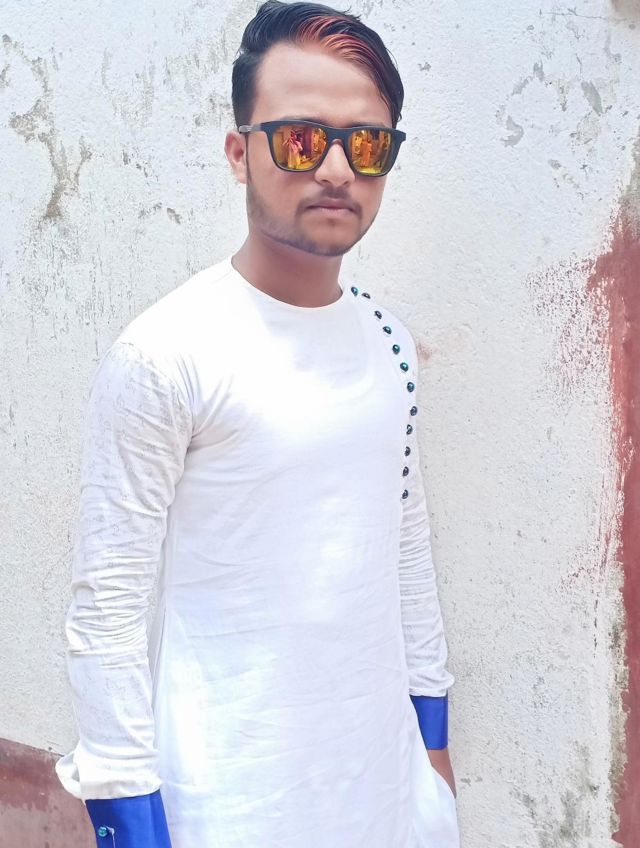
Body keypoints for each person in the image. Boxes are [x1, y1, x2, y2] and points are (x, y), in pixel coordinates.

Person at [55, 2, 459, 847]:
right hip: (229, 806)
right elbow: (108, 612)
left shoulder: (388, 341)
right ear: (240, 153)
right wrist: (130, 822)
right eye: (302, 139)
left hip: (386, 793)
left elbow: (405, 546)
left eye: (368, 143)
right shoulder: (167, 353)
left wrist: (433, 752)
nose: (338, 169)